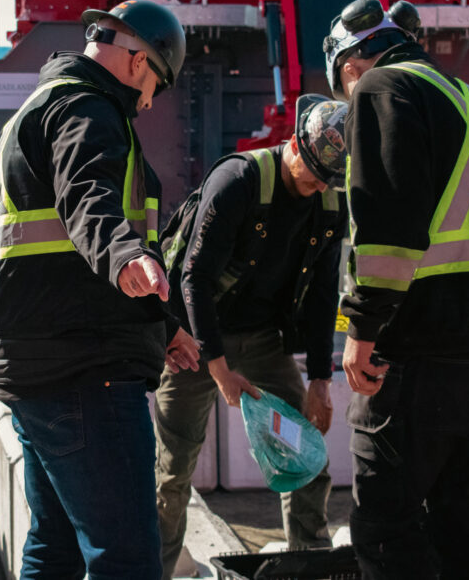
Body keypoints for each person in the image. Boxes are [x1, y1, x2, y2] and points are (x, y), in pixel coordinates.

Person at [323, 0, 469, 579]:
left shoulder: (380, 89)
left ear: (351, 66)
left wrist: (361, 328)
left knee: (385, 527)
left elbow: (387, 222)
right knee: (451, 516)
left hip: (412, 345)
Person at [0, 0, 200, 580]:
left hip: (38, 364)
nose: (149, 102)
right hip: (86, 369)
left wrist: (162, 325)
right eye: (155, 85)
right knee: (125, 556)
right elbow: (89, 199)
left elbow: (56, 252)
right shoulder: (88, 108)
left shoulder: (32, 113)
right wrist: (125, 254)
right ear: (137, 62)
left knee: (53, 547)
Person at [155, 95, 349, 578]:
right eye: (312, 174)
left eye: (327, 180)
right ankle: (154, 567)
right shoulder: (237, 181)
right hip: (193, 338)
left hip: (263, 339)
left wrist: (321, 380)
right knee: (173, 469)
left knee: (305, 454)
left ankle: (310, 563)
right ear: (295, 145)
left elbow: (324, 293)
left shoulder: (328, 201)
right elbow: (194, 278)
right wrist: (218, 369)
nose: (317, 186)